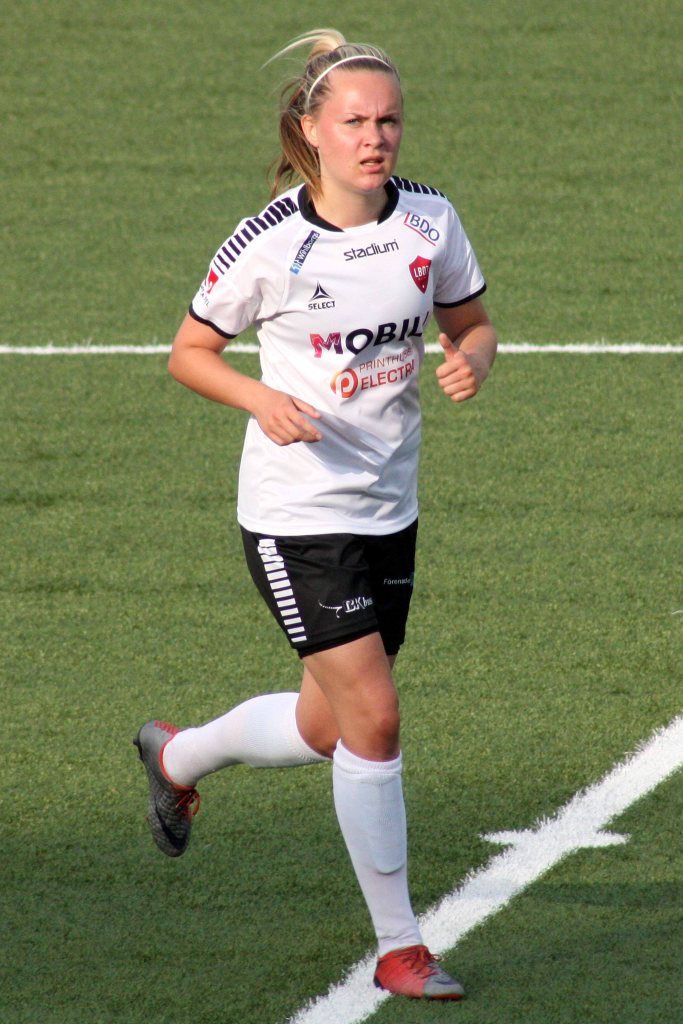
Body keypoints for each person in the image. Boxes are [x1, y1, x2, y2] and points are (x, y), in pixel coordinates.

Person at [134, 28, 496, 1001]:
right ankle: (399, 945)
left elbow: (470, 321)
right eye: (354, 123)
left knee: (327, 726)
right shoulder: (268, 243)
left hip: (388, 508)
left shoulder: (429, 221)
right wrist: (260, 400)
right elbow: (188, 353)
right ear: (309, 131)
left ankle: (175, 755)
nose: (374, 138)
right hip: (296, 517)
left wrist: (472, 358)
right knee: (374, 716)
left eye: (388, 121)